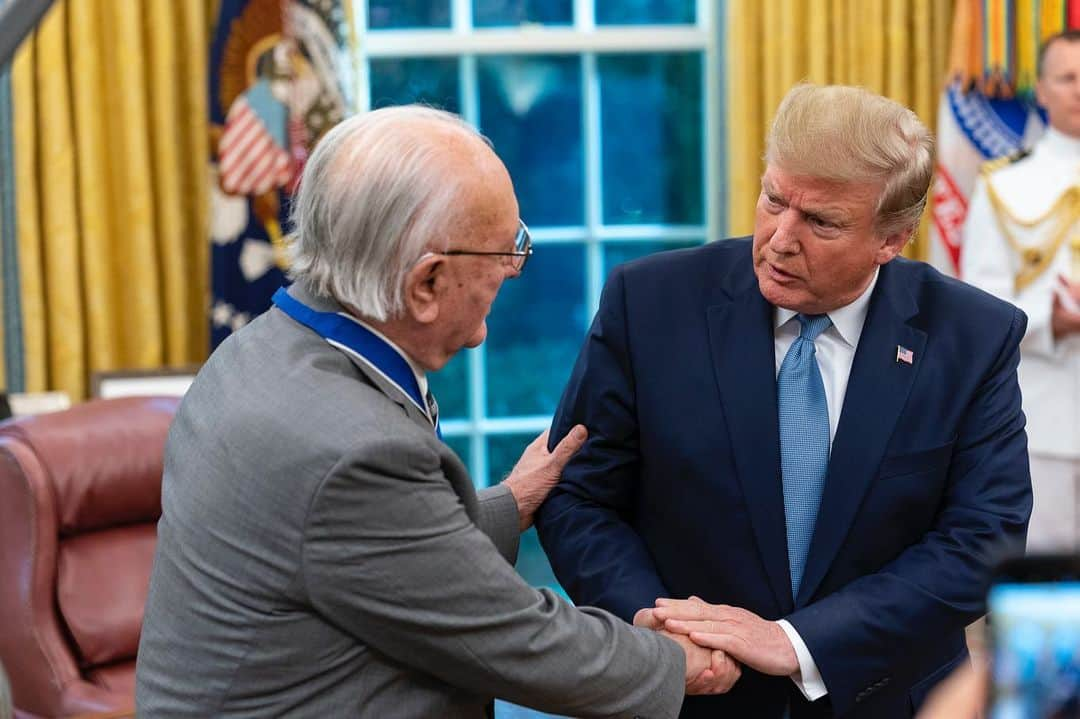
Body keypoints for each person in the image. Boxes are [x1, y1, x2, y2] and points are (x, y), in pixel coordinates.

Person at [135, 106, 740, 717]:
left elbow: (364, 552)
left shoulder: (256, 352)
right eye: (507, 251)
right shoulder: (355, 451)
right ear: (426, 284)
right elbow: (516, 640)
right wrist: (676, 661)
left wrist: (513, 500)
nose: (512, 269)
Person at [535, 84, 1032, 718]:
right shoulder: (650, 302)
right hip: (691, 693)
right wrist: (652, 624)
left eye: (821, 221)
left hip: (887, 699)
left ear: (893, 239)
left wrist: (796, 643)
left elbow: (982, 539)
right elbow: (580, 496)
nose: (778, 239)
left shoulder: (973, 336)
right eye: (773, 199)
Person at [961, 30, 1080, 552]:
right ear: (1043, 91)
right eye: (1068, 77)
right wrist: (1052, 319)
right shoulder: (1003, 185)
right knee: (1046, 587)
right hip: (1047, 416)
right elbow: (982, 306)